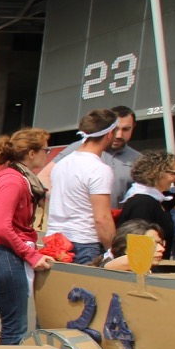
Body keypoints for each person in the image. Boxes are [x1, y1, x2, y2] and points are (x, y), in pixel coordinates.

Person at [0, 129, 56, 345]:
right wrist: (32, 255)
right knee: (15, 328)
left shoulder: (12, 178)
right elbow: (2, 227)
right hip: (4, 257)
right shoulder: (15, 181)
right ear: (31, 153)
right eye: (46, 150)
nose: (47, 154)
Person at [45, 108, 117, 265]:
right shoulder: (99, 169)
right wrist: (112, 250)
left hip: (54, 242)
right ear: (110, 134)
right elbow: (102, 219)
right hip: (84, 244)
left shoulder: (62, 164)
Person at [41, 106, 140, 208]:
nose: (119, 135)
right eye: (116, 129)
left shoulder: (139, 159)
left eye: (126, 129)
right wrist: (63, 203)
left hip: (117, 217)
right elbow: (43, 177)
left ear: (133, 127)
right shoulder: (79, 148)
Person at [116, 151, 175, 257]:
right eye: (173, 174)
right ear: (157, 173)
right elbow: (139, 245)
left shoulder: (157, 198)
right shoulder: (143, 202)